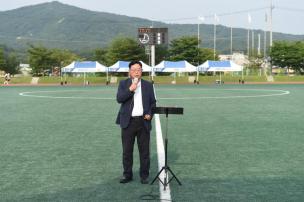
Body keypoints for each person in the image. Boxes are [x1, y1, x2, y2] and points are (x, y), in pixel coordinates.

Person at [116, 61, 156, 184]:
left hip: (143, 122)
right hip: (128, 122)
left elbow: (153, 102)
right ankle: (127, 175)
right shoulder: (123, 84)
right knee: (127, 151)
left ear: (141, 71)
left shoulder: (148, 85)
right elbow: (119, 99)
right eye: (133, 70)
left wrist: (150, 113)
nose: (136, 72)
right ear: (129, 72)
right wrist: (130, 89)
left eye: (138, 69)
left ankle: (144, 175)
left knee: (144, 152)